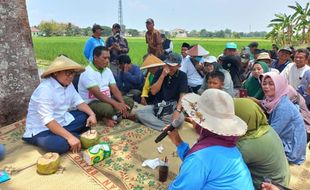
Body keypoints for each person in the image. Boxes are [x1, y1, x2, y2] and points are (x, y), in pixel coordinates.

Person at [168, 89, 254, 189]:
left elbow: (197, 165)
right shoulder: (228, 146)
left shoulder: (200, 158)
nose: (191, 119)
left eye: (194, 115)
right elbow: (203, 165)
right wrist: (179, 143)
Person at [22, 55, 97, 154]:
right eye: (67, 73)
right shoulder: (45, 89)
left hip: (62, 121)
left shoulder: (68, 84)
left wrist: (92, 114)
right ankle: (71, 136)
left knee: (86, 116)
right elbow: (48, 121)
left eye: (73, 73)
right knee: (60, 145)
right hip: (42, 129)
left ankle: (69, 135)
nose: (71, 76)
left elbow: (79, 103)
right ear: (56, 72)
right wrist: (70, 137)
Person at [234, 98, 290, 189]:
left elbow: (224, 164)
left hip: (269, 185)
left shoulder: (246, 146)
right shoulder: (266, 128)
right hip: (282, 181)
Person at [78, 46, 134, 128]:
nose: (107, 61)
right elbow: (98, 94)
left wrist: (122, 104)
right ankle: (107, 117)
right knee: (109, 109)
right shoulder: (87, 72)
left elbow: (114, 88)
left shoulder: (107, 70)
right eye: (104, 58)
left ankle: (113, 116)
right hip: (92, 102)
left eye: (108, 58)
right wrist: (116, 104)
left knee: (129, 101)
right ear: (95, 57)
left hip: (107, 99)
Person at [260, 72, 307, 164]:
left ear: (279, 85)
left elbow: (273, 132)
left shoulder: (283, 106)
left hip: (292, 149)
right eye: (264, 83)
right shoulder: (276, 100)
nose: (266, 87)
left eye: (271, 83)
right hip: (285, 138)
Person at [136, 52, 188, 131]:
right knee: (140, 112)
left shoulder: (182, 76)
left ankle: (161, 123)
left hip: (172, 108)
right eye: (168, 64)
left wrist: (177, 111)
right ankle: (165, 127)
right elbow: (153, 92)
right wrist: (162, 76)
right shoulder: (160, 72)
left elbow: (182, 95)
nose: (169, 67)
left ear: (179, 66)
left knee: (180, 118)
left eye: (172, 66)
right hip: (157, 106)